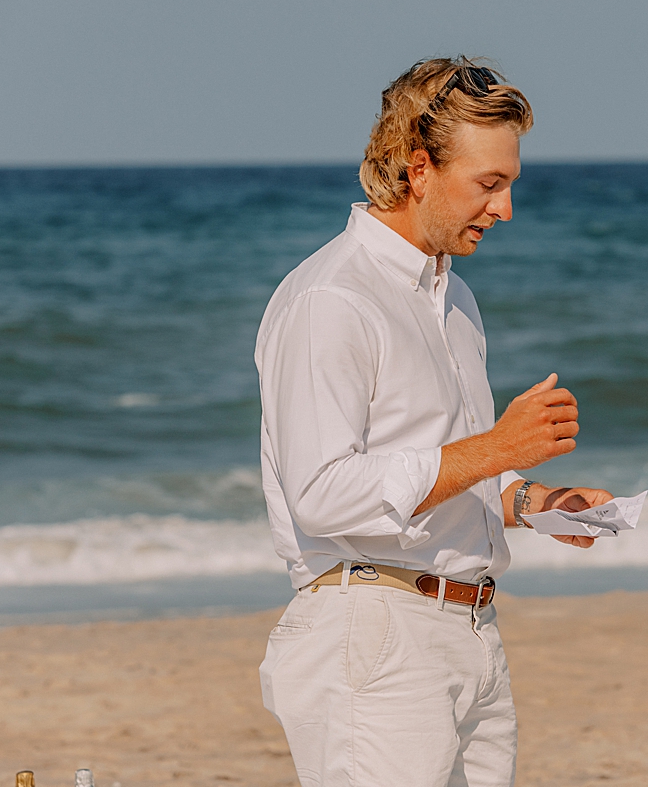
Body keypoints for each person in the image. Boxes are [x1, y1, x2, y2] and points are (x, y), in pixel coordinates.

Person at [255, 58, 613, 787]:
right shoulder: (333, 300)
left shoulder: (455, 300)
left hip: (471, 629)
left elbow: (438, 471)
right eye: (490, 184)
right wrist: (492, 450)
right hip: (375, 635)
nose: (506, 208)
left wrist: (534, 502)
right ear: (418, 170)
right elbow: (321, 495)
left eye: (510, 182)